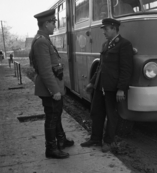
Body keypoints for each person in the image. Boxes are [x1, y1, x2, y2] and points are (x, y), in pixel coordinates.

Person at [80, 18, 133, 153]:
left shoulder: (124, 45)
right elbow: (100, 67)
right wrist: (92, 82)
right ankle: (95, 138)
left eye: (106, 29)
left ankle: (108, 142)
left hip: (112, 87)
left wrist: (121, 89)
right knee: (96, 113)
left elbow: (126, 69)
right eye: (103, 29)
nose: (104, 32)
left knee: (111, 115)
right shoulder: (105, 45)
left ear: (114, 28)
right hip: (100, 86)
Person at [29, 9, 74, 159]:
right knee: (52, 118)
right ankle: (51, 148)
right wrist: (54, 91)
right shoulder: (41, 41)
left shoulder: (43, 39)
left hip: (52, 86)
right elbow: (45, 70)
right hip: (49, 88)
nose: (55, 24)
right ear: (46, 23)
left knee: (56, 115)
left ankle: (61, 139)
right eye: (53, 22)